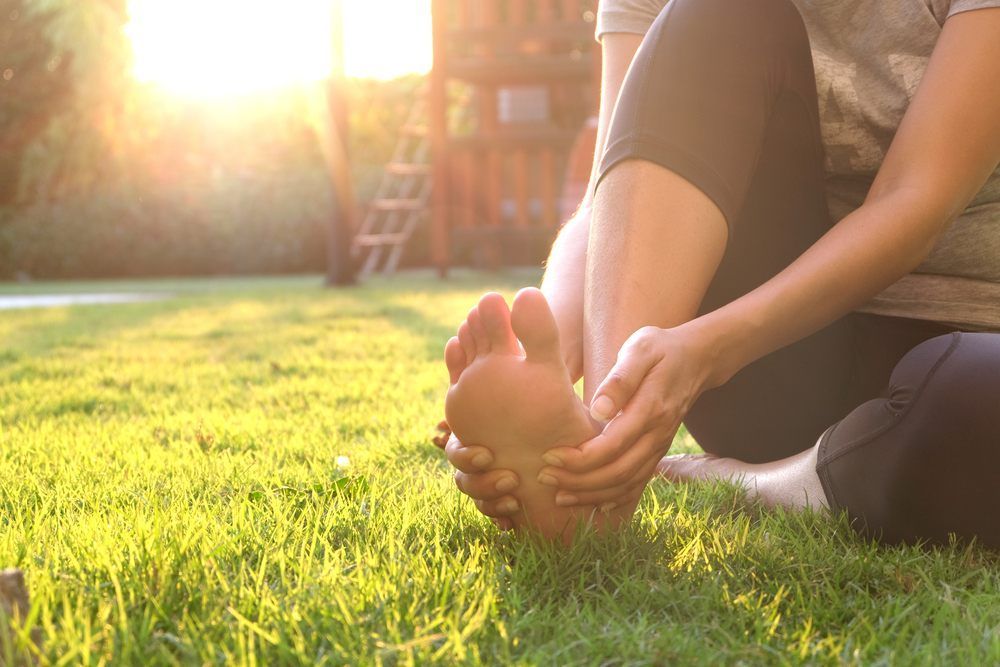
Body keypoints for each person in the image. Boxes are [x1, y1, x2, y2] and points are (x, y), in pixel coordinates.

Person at [442, 0, 1000, 547]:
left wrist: (709, 349)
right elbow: (617, 192)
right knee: (717, 11)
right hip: (773, 371)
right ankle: (604, 462)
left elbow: (913, 200)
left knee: (968, 395)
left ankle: (750, 480)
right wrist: (552, 355)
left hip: (959, 345)